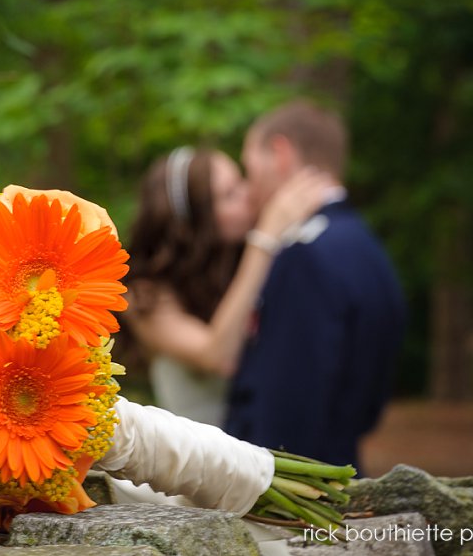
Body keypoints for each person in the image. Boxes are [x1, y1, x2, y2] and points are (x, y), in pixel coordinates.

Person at [225, 100, 407, 471]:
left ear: (280, 153)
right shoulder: (366, 246)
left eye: (250, 167)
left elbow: (286, 407)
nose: (249, 186)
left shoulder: (304, 257)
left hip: (299, 493)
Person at [123, 146, 330, 426]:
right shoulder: (143, 295)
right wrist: (264, 240)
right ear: (191, 222)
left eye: (241, 180)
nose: (248, 194)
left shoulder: (242, 261)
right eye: (229, 195)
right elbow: (217, 357)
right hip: (199, 459)